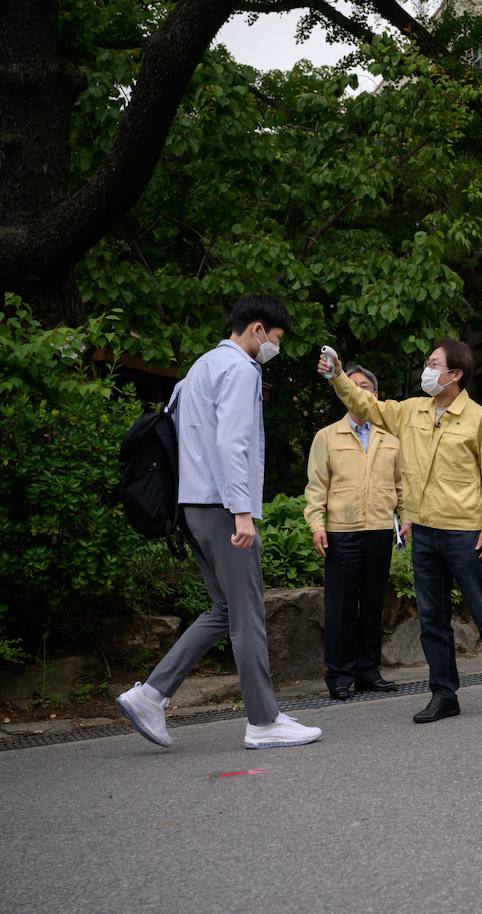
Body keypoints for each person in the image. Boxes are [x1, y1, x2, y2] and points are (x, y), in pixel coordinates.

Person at [116, 295, 322, 750]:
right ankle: (264, 721)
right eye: (276, 339)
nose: (274, 348)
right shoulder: (241, 369)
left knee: (225, 610)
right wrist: (242, 510)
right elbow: (232, 443)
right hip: (221, 507)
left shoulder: (198, 369)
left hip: (191, 507)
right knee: (248, 614)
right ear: (257, 330)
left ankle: (151, 695)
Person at [317, 338, 482, 723]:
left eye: (434, 364)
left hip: (465, 532)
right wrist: (339, 377)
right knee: (432, 618)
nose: (427, 369)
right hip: (424, 532)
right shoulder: (411, 411)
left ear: (455, 374)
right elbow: (367, 405)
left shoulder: (479, 419)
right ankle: (443, 694)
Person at [304, 364, 404, 701]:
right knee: (341, 607)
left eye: (366, 386)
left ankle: (368, 672)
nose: (359, 390)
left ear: (374, 395)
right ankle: (339, 675)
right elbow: (316, 486)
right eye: (353, 385)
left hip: (379, 530)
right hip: (341, 533)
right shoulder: (327, 437)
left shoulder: (391, 437)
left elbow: (403, 484)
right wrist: (316, 524)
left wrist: (407, 516)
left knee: (373, 604)